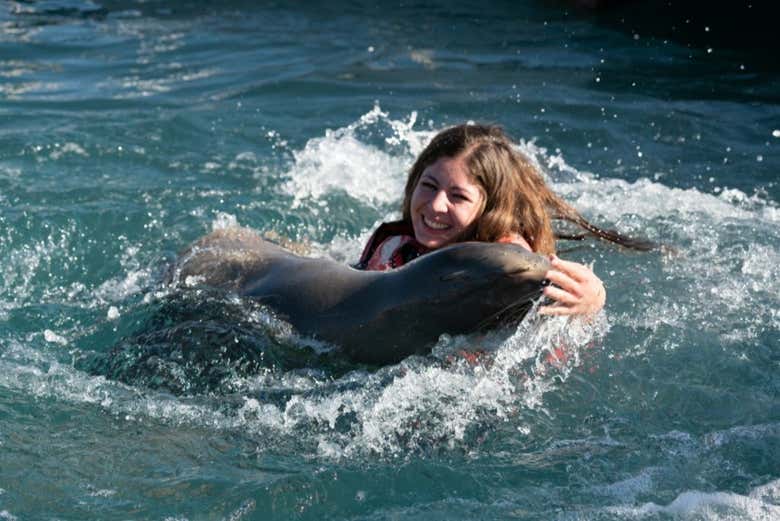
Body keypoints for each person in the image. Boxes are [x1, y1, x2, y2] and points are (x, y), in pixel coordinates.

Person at [354, 124, 650, 317]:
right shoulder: (398, 242)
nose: (435, 205)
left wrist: (593, 299)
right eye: (429, 186)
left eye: (458, 196)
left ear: (490, 208)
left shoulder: (502, 265)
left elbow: (552, 289)